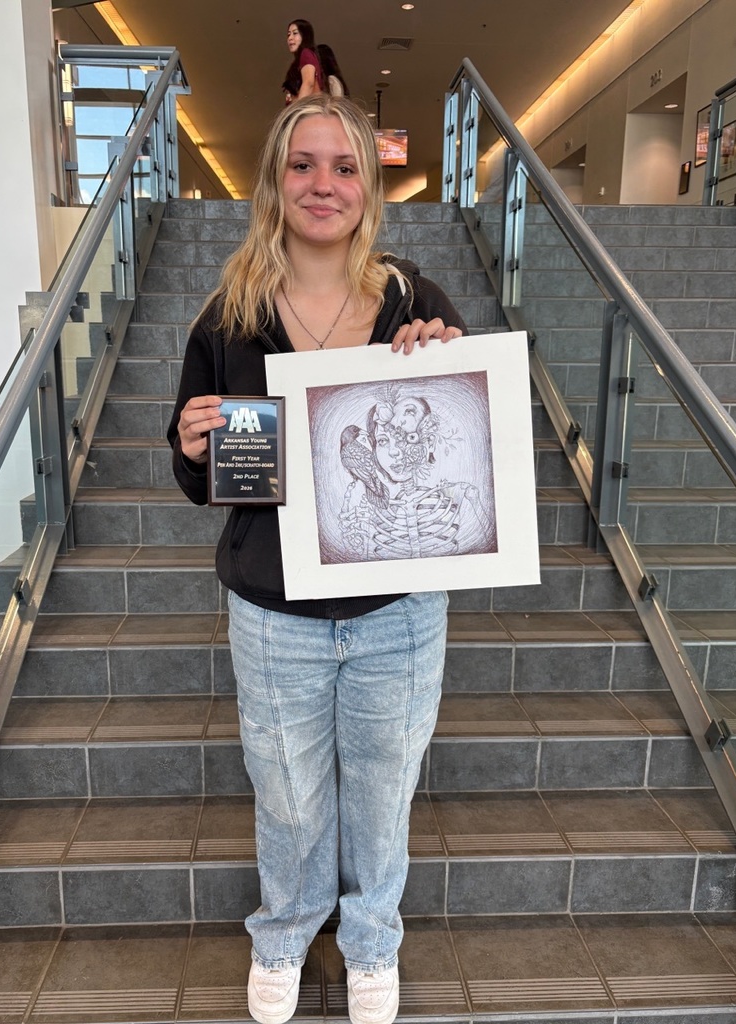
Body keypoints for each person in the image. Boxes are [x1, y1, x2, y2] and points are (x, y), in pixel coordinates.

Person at [168, 94, 465, 1024]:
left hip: (397, 609)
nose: (323, 183)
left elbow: (467, 433)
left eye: (343, 167)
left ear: (367, 187)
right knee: (290, 791)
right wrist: (186, 446)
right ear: (275, 181)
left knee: (383, 787)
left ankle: (372, 939)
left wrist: (444, 360)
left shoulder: (415, 301)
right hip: (272, 611)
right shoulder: (229, 317)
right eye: (303, 165)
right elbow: (203, 475)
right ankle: (288, 931)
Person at [282, 19, 324, 105]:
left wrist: (296, 110)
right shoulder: (303, 57)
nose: (290, 38)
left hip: (307, 110)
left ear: (305, 35)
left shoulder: (306, 54)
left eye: (295, 33)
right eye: (288, 34)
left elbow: (308, 83)